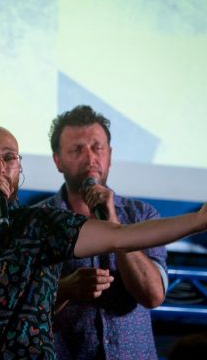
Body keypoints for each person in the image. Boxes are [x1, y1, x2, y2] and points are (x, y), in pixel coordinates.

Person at [0, 123, 207, 360]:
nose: (0, 167)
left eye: (9, 157)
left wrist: (196, 221)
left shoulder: (42, 223)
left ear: (19, 165)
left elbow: (121, 236)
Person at [37, 105, 168, 359]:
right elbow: (16, 307)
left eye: (97, 148)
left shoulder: (142, 216)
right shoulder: (36, 222)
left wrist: (114, 225)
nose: (90, 158)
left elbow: (153, 295)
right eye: (77, 149)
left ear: (110, 155)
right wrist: (65, 289)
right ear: (58, 161)